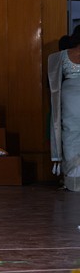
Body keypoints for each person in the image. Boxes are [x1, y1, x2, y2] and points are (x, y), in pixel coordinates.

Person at [48, 25, 80, 192]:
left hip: (68, 97)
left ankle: (74, 179)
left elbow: (54, 81)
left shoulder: (61, 56)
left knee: (70, 133)